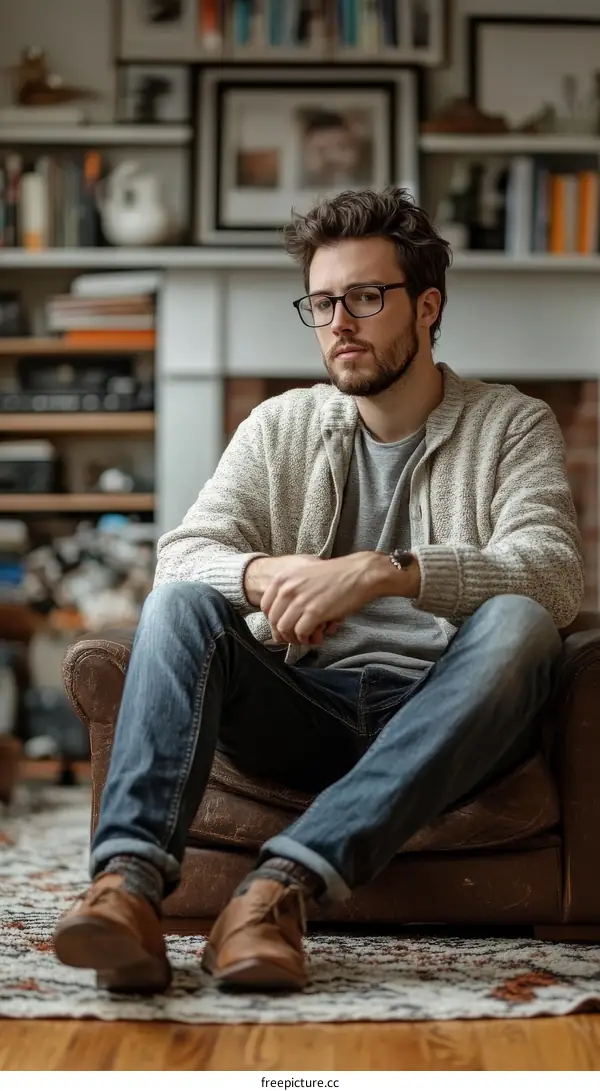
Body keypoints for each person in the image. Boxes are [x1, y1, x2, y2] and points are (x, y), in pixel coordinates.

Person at [53, 187, 583, 995]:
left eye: (367, 297)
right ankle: (126, 888)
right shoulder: (279, 426)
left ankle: (275, 893)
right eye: (324, 301)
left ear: (427, 305)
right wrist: (263, 573)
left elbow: (552, 574)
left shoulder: (512, 424)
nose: (340, 322)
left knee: (519, 624)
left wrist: (383, 570)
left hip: (444, 714)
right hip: (301, 704)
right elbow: (183, 556)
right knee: (179, 603)